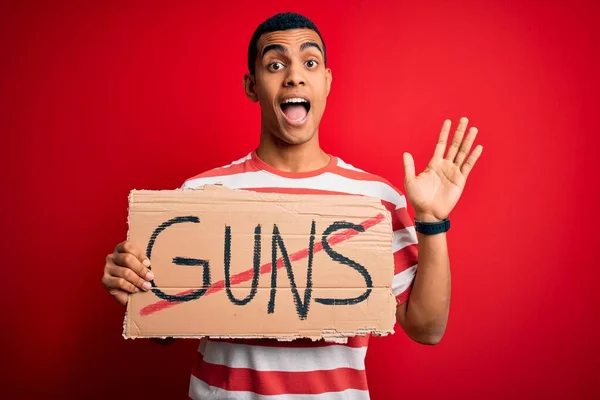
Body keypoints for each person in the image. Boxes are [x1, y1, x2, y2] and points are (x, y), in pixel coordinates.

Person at [101, 12, 483, 399]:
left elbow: (427, 328)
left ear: (327, 82)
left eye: (310, 62)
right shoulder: (202, 193)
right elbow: (167, 329)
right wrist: (135, 284)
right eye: (275, 64)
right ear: (252, 85)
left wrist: (432, 221)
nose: (294, 76)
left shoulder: (374, 200)